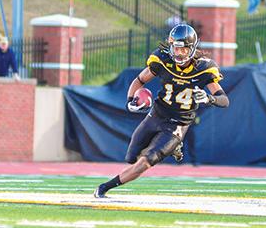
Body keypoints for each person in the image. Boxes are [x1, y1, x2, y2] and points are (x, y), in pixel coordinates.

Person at [94, 24, 229, 198]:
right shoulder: (162, 61)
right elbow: (139, 80)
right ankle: (173, 148)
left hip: (178, 124)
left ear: (193, 48)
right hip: (157, 114)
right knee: (131, 156)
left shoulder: (203, 68)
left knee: (146, 161)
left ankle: (104, 187)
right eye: (176, 48)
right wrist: (129, 102)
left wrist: (209, 98)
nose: (179, 53)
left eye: (184, 49)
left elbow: (224, 100)